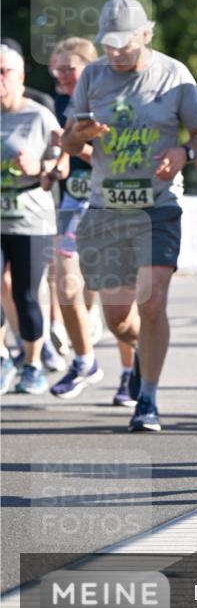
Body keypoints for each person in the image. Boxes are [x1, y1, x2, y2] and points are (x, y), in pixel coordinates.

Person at [61, 0, 197, 431]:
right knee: (117, 318)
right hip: (107, 208)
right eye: (107, 45)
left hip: (158, 206)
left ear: (146, 34)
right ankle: (145, 352)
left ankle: (147, 399)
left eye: (123, 45)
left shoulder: (175, 76)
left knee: (153, 302)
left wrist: (183, 152)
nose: (114, 53)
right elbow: (70, 144)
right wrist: (80, 134)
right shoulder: (93, 75)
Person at [46, 37, 136, 404]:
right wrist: (57, 163)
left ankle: (132, 371)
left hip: (114, 204)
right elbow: (62, 152)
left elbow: (119, 156)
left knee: (122, 305)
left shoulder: (108, 99)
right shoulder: (61, 103)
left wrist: (74, 146)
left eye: (70, 69)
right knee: (65, 281)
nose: (64, 76)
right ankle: (84, 360)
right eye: (58, 69)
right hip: (74, 203)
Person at [1, 44, 62, 395]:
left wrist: (39, 167)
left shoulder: (39, 116)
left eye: (3, 72)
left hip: (30, 220)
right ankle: (2, 359)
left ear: (21, 77)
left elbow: (61, 163)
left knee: (25, 294)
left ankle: (33, 363)